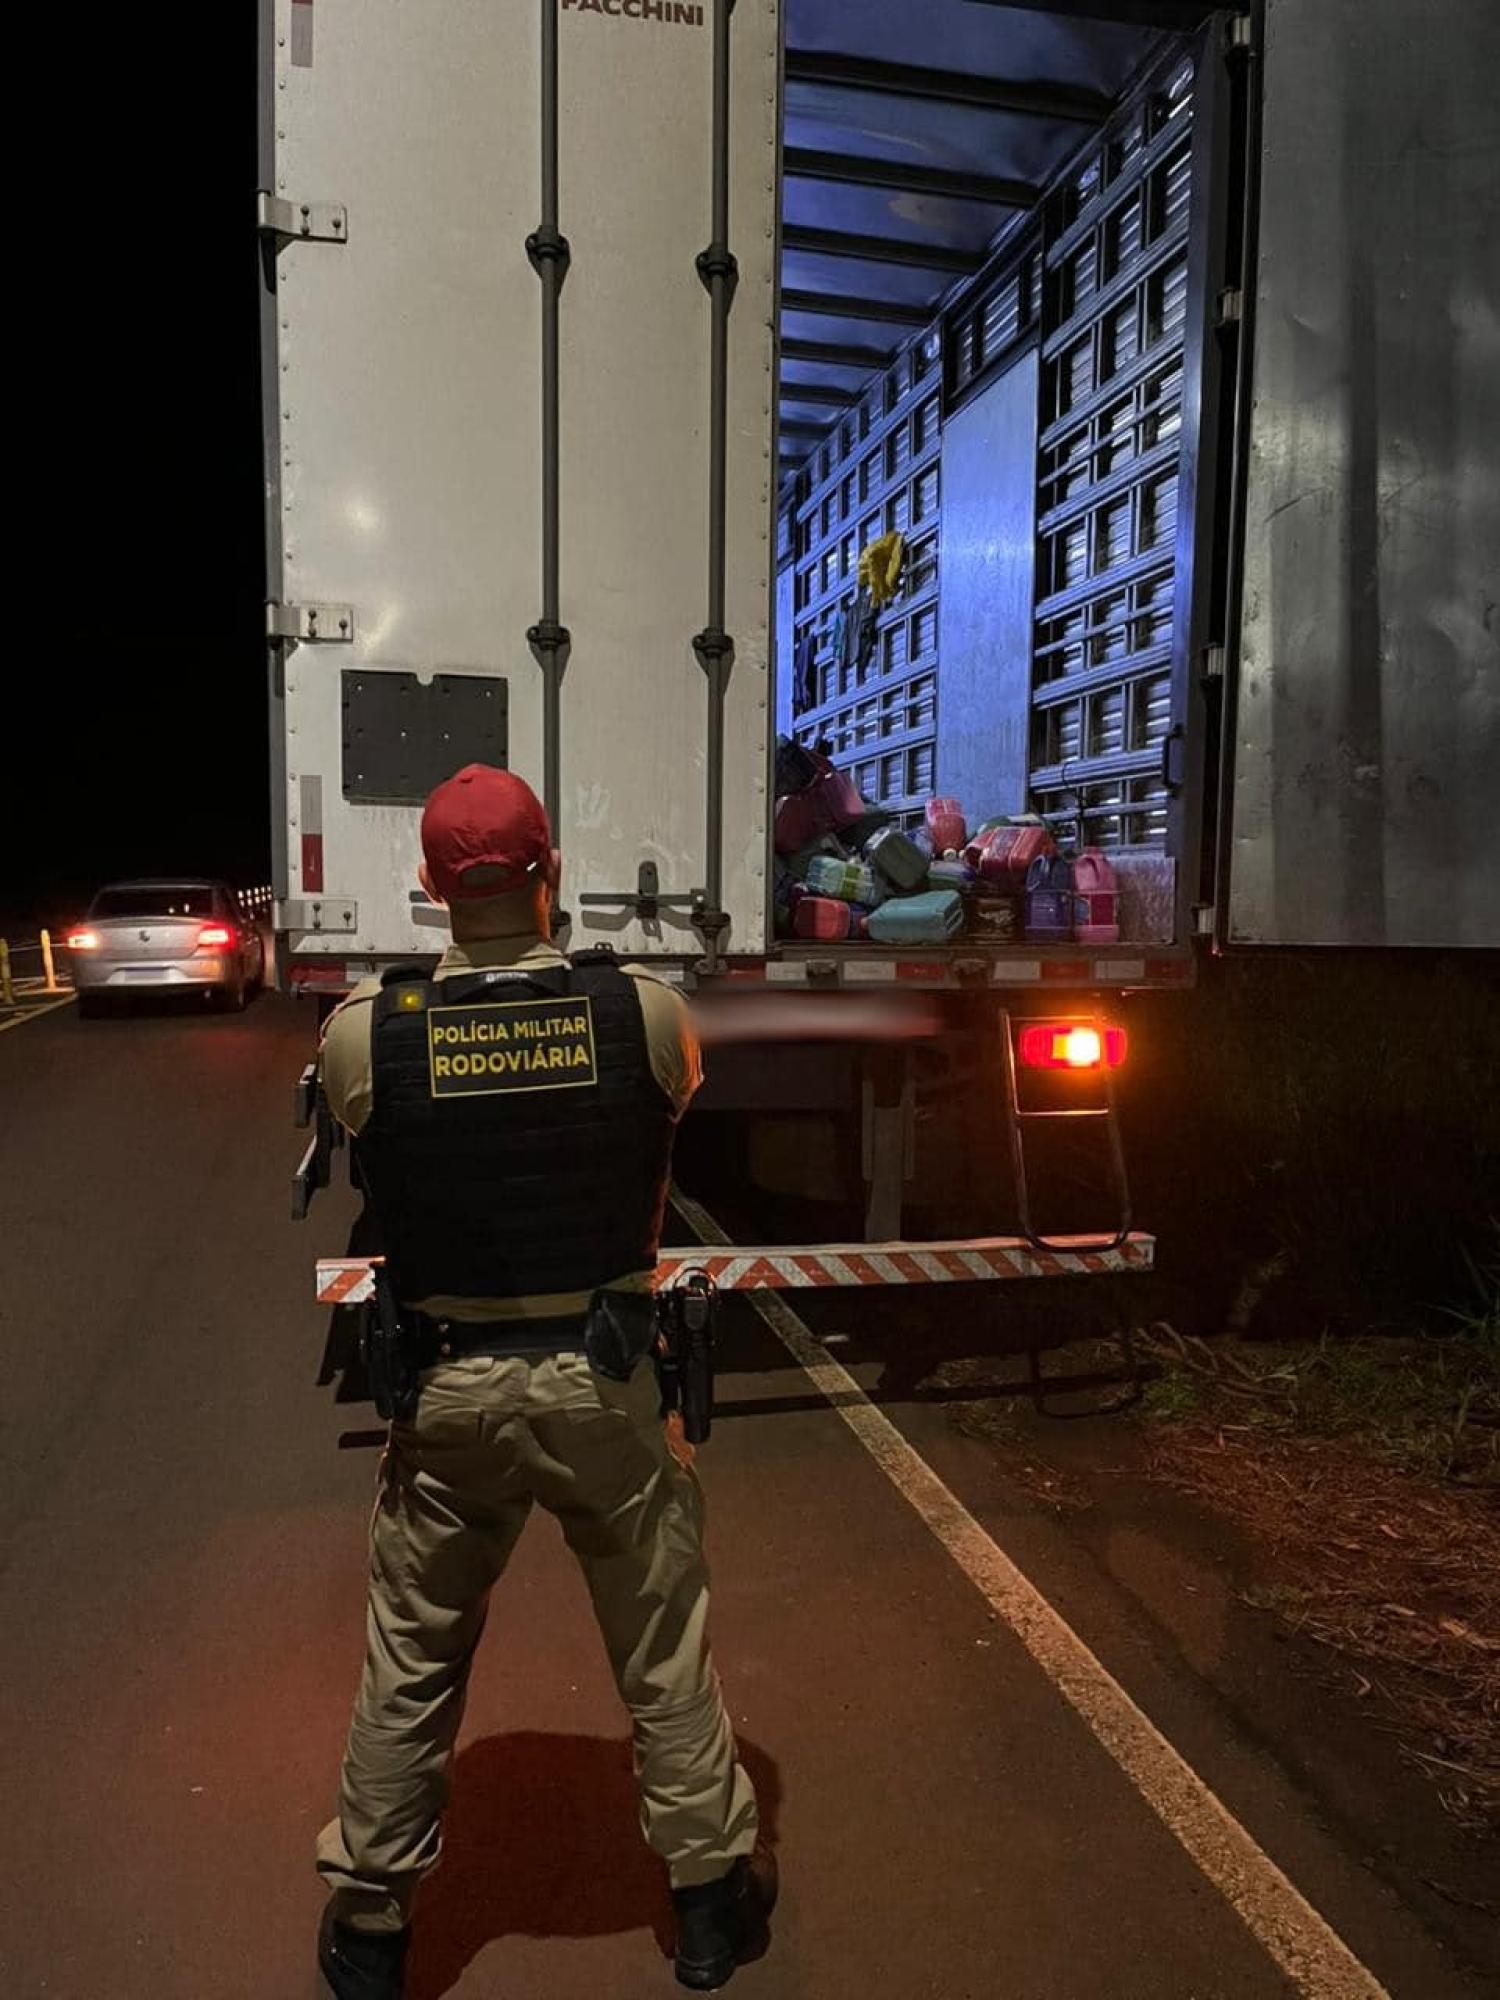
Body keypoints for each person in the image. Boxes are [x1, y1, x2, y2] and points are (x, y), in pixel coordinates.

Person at [313, 764, 773, 1998]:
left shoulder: (366, 1034)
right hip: (604, 1383)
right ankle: (710, 1902)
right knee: (662, 1645)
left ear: (428, 883)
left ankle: (371, 1926)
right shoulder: (645, 1014)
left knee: (412, 1657)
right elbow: (665, 1107)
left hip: (449, 1396)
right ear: (550, 869)